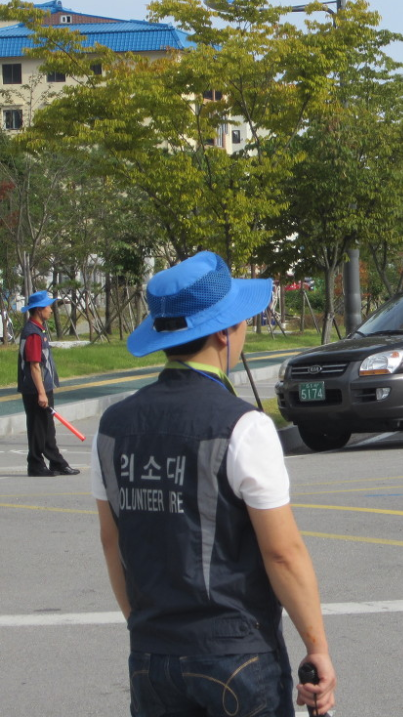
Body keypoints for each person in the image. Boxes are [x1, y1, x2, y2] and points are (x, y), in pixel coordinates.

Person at [92, 251, 336, 716]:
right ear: (224, 331)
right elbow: (282, 552)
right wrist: (317, 646)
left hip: (151, 655)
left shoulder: (112, 426)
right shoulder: (244, 426)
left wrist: (147, 632)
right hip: (235, 654)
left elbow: (112, 543)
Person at [18, 290, 78, 477]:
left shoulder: (39, 330)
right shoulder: (33, 334)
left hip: (42, 386)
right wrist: (42, 393)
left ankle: (56, 462)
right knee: (38, 427)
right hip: (36, 388)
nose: (51, 310)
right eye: (48, 306)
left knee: (47, 427)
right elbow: (34, 366)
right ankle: (35, 464)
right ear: (39, 310)